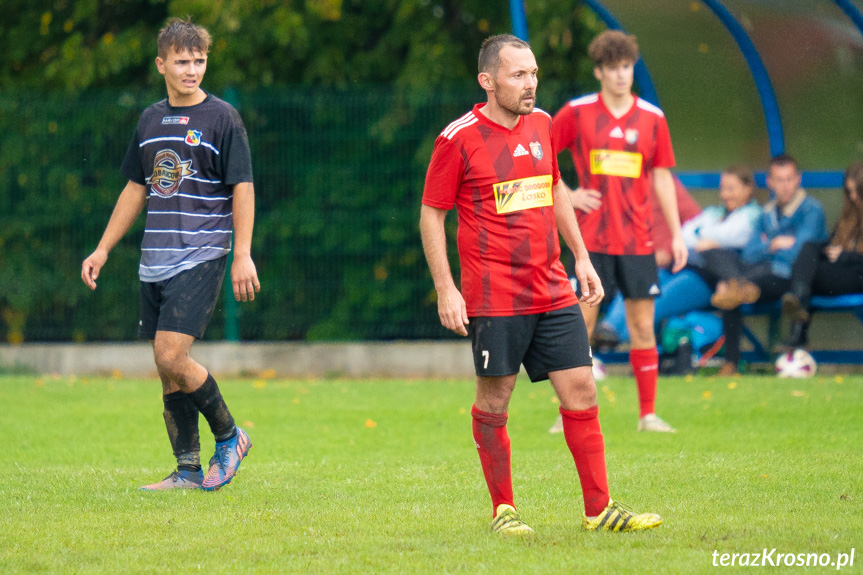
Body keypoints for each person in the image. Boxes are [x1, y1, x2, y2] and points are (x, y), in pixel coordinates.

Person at [420, 34, 661, 537]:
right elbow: (432, 213)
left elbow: (554, 191)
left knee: (581, 388)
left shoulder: (544, 124)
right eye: (518, 75)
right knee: (495, 401)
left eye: (533, 73)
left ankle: (599, 509)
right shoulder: (458, 138)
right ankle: (503, 509)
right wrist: (447, 288)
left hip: (552, 287)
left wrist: (582, 258)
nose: (530, 84)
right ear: (488, 81)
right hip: (494, 294)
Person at [81, 17, 258, 491]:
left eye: (199, 60)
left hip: (202, 253)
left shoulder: (222, 118)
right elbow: (135, 189)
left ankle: (230, 435)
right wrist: (102, 249)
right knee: (166, 368)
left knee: (171, 354)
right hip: (154, 258)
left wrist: (242, 253)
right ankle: (186, 470)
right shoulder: (149, 120)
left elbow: (243, 186)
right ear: (162, 64)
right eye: (182, 61)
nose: (192, 69)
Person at [552, 30, 687, 433]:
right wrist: (570, 195)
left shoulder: (652, 118)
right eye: (613, 69)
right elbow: (541, 157)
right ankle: (569, 413)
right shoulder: (575, 112)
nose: (621, 75)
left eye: (626, 67)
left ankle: (647, 414)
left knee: (643, 326)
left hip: (638, 240)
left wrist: (676, 235)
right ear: (599, 72)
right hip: (590, 240)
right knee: (582, 326)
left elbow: (662, 178)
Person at [705, 154, 827, 374]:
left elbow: (801, 251)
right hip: (762, 273)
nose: (785, 185)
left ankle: (731, 361)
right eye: (779, 180)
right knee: (724, 276)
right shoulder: (767, 212)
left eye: (789, 179)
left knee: (735, 291)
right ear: (770, 182)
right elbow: (749, 254)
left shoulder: (811, 209)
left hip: (792, 279)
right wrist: (773, 245)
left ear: (798, 179)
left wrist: (774, 248)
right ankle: (730, 362)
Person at [780, 160, 863, 347]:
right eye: (849, 192)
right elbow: (831, 243)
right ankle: (798, 305)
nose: (853, 196)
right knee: (810, 248)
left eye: (858, 191)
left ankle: (798, 323)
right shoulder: (848, 216)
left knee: (805, 274)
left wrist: (845, 256)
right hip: (841, 271)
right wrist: (827, 251)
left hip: (858, 275)